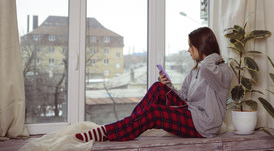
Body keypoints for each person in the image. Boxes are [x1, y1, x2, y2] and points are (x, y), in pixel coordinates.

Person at [75, 27, 233, 142]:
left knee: (155, 113)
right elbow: (184, 98)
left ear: (202, 47)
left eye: (191, 46)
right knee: (158, 88)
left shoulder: (222, 72)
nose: (188, 50)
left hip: (205, 124)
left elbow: (207, 67)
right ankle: (126, 125)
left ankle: (111, 131)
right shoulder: (195, 72)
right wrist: (168, 86)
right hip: (191, 113)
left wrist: (213, 55)